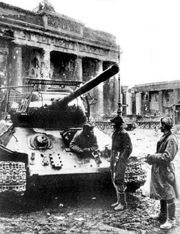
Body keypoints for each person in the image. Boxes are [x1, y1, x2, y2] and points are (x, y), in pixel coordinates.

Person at [145, 116, 179, 230]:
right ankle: (163, 215)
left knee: (169, 194)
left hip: (166, 170)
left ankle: (171, 220)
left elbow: (167, 156)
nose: (160, 126)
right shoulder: (165, 136)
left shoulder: (171, 139)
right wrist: (151, 159)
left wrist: (153, 157)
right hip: (160, 169)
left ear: (164, 126)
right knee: (162, 191)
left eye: (161, 124)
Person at [110, 115, 132, 211]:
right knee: (115, 179)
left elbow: (128, 148)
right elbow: (114, 146)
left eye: (114, 125)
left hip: (122, 158)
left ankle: (122, 203)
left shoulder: (124, 134)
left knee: (119, 179)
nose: (113, 126)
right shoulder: (116, 133)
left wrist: (122, 158)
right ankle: (119, 201)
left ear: (118, 125)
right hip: (116, 157)